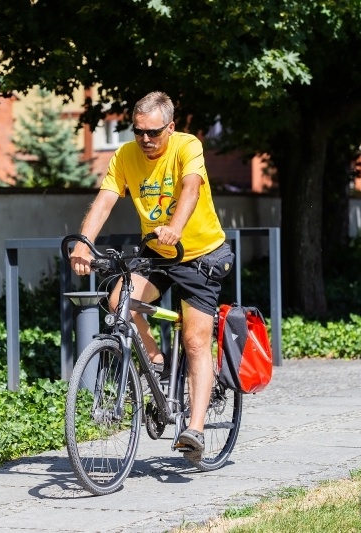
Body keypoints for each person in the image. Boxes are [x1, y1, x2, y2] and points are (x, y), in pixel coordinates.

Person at [70, 91, 234, 462]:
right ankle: (157, 361)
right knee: (117, 303)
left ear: (170, 127)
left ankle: (194, 429)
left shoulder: (186, 146)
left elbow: (191, 189)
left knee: (195, 341)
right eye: (138, 131)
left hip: (201, 255)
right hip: (158, 252)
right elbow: (105, 200)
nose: (145, 139)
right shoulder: (126, 156)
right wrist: (83, 244)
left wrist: (175, 227)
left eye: (153, 132)